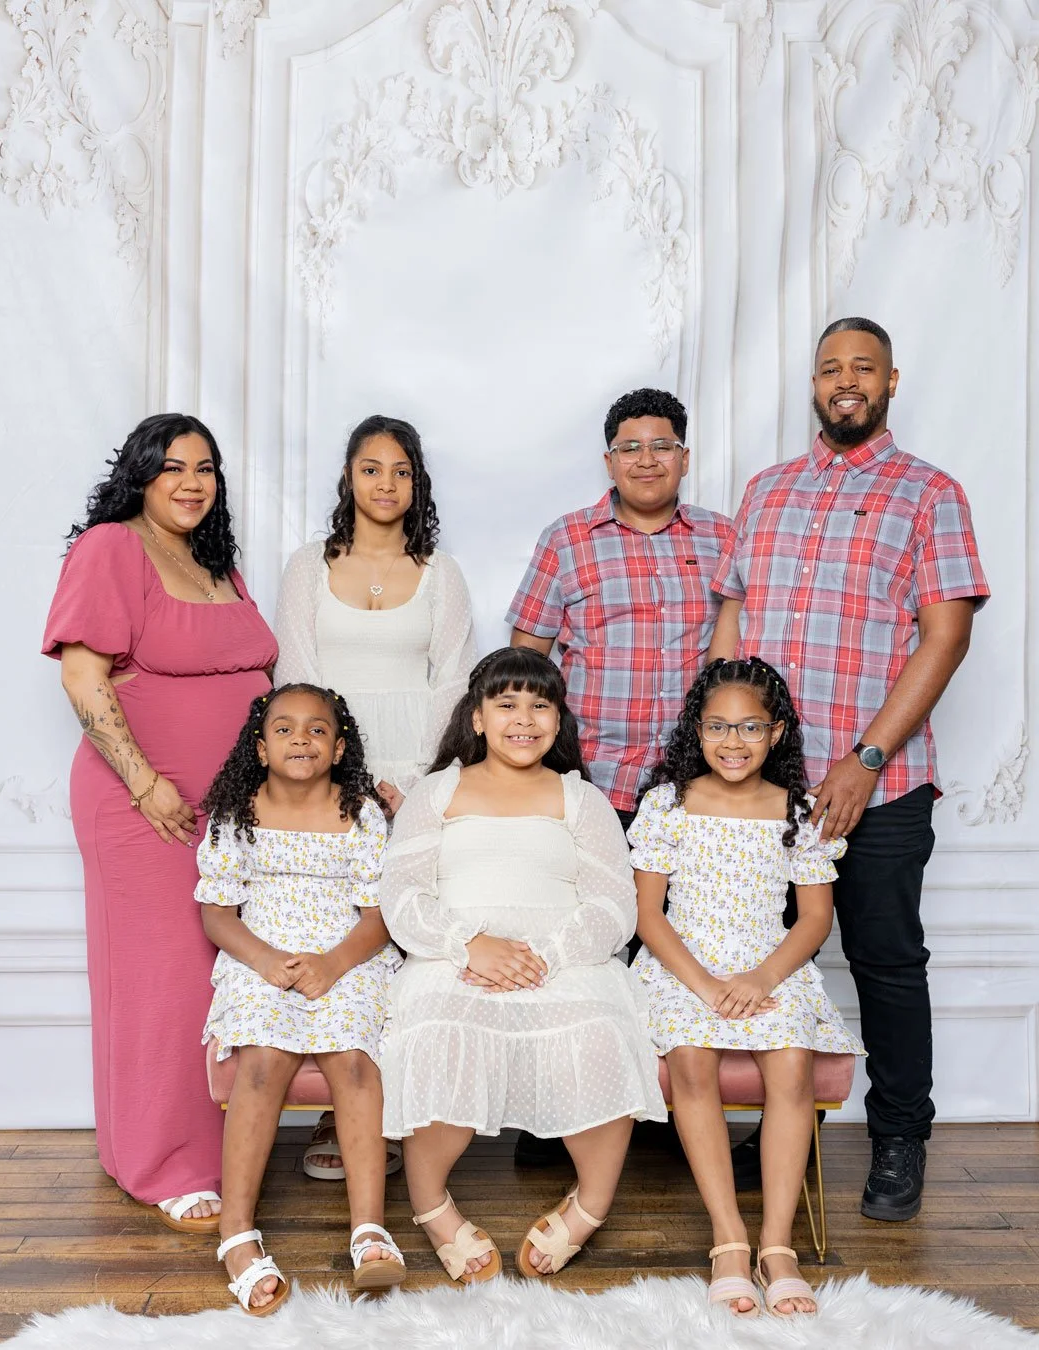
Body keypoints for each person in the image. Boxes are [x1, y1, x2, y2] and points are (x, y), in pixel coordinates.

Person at [709, 318, 989, 1219]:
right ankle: (774, 1127)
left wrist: (868, 757)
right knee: (762, 958)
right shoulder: (767, 491)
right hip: (763, 790)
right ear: (816, 385)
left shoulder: (930, 494)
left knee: (884, 960)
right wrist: (714, 751)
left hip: (879, 783)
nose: (845, 380)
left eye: (862, 367)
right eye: (831, 367)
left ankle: (901, 1137)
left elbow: (945, 638)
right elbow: (733, 621)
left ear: (892, 381)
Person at [41, 414, 278, 1231]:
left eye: (206, 468)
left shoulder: (219, 565)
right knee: (162, 978)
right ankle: (159, 1163)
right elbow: (82, 675)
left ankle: (210, 1148)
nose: (192, 482)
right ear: (139, 475)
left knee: (218, 976)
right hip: (143, 805)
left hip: (227, 814)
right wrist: (147, 784)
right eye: (172, 466)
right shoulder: (111, 547)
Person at [379, 647, 666, 1283]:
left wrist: (546, 956)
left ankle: (591, 1202)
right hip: (454, 955)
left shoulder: (580, 799)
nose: (524, 718)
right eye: (506, 704)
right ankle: (431, 1204)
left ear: (559, 720)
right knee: (438, 1032)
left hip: (562, 957)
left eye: (541, 706)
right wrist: (468, 944)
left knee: (601, 1033)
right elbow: (400, 894)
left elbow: (614, 903)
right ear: (477, 718)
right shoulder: (438, 792)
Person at [506, 387, 730, 1165]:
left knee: (671, 946)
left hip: (690, 791)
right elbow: (525, 660)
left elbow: (736, 659)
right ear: (609, 460)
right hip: (589, 782)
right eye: (630, 447)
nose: (646, 459)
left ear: (683, 457)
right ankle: (554, 1117)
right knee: (579, 944)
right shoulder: (567, 540)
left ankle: (657, 1117)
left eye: (661, 445)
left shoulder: (722, 540)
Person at [631, 657, 864, 1317]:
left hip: (770, 962)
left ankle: (776, 1245)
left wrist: (762, 977)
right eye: (717, 727)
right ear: (696, 731)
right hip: (684, 963)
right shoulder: (668, 803)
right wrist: (705, 986)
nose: (732, 742)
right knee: (692, 1062)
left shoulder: (799, 811)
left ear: (779, 732)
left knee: (791, 1064)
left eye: (750, 728)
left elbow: (815, 917)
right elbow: (648, 917)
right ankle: (728, 1239)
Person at [197, 685, 405, 1312]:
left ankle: (368, 1230)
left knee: (354, 1058)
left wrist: (334, 963)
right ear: (259, 748)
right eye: (284, 730)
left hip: (347, 953)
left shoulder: (362, 812)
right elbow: (217, 912)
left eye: (317, 730)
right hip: (261, 953)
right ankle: (237, 1231)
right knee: (261, 1061)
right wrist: (263, 960)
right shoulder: (236, 813)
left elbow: (379, 915)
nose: (301, 740)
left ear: (340, 747)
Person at [274, 413, 476, 811]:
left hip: (416, 763)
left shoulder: (443, 572)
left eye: (401, 473)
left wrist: (416, 782)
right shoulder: (307, 565)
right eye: (371, 470)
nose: (386, 484)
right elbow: (294, 679)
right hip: (324, 763)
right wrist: (332, 772)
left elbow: (455, 684)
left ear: (416, 484)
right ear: (349, 478)